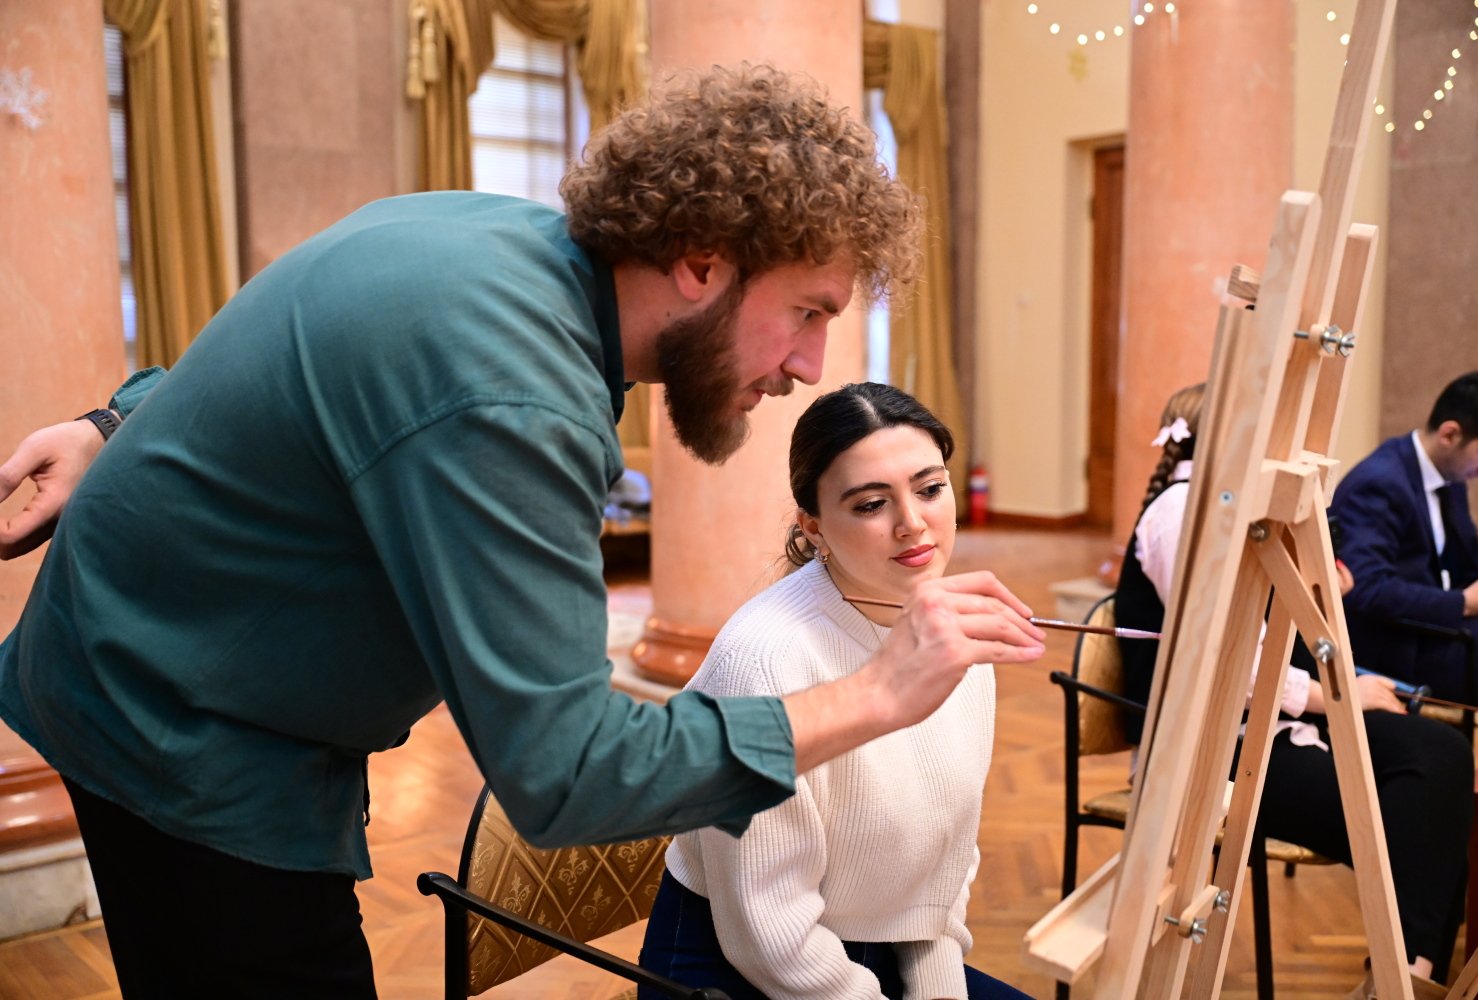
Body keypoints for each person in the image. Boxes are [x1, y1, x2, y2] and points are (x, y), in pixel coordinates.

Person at [0, 66, 1047, 999]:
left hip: (166, 660)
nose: (811, 366)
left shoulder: (493, 237)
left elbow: (307, 357)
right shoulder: (516, 395)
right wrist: (875, 692)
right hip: (177, 723)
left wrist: (122, 424)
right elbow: (564, 773)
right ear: (701, 260)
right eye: (809, 311)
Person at [637, 383, 1031, 1000]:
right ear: (814, 527)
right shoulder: (762, 662)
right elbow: (766, 932)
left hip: (885, 948)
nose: (913, 523)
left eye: (930, 489)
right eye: (872, 504)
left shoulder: (956, 627)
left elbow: (944, 858)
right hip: (740, 967)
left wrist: (938, 987)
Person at [1115, 384, 1472, 988]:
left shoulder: (1238, 510)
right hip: (1208, 748)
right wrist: (1333, 697)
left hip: (1274, 720)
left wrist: (1315, 587)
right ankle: (1405, 974)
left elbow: (1271, 635)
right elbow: (1229, 660)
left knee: (1439, 754)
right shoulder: (1182, 514)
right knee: (1406, 813)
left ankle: (1409, 970)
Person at [1331, 370, 1478, 704]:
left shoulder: (1449, 476)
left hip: (1436, 628)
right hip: (1397, 647)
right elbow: (1364, 588)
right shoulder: (1379, 482)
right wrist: (1464, 602)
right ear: (1450, 434)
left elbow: (1469, 554)